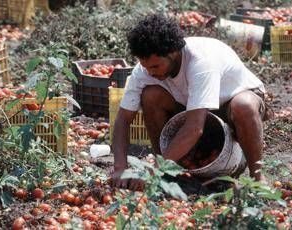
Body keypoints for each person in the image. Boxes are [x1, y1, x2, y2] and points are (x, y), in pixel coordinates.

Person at [111, 13, 269, 191]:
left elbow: (195, 127)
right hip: (194, 107)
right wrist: (120, 168)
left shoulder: (200, 62)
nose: (150, 73)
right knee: (151, 95)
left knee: (244, 105)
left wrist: (153, 171)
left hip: (231, 102)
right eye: (146, 67)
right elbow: (123, 119)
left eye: (155, 66)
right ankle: (165, 169)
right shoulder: (145, 70)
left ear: (173, 53)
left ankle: (257, 176)